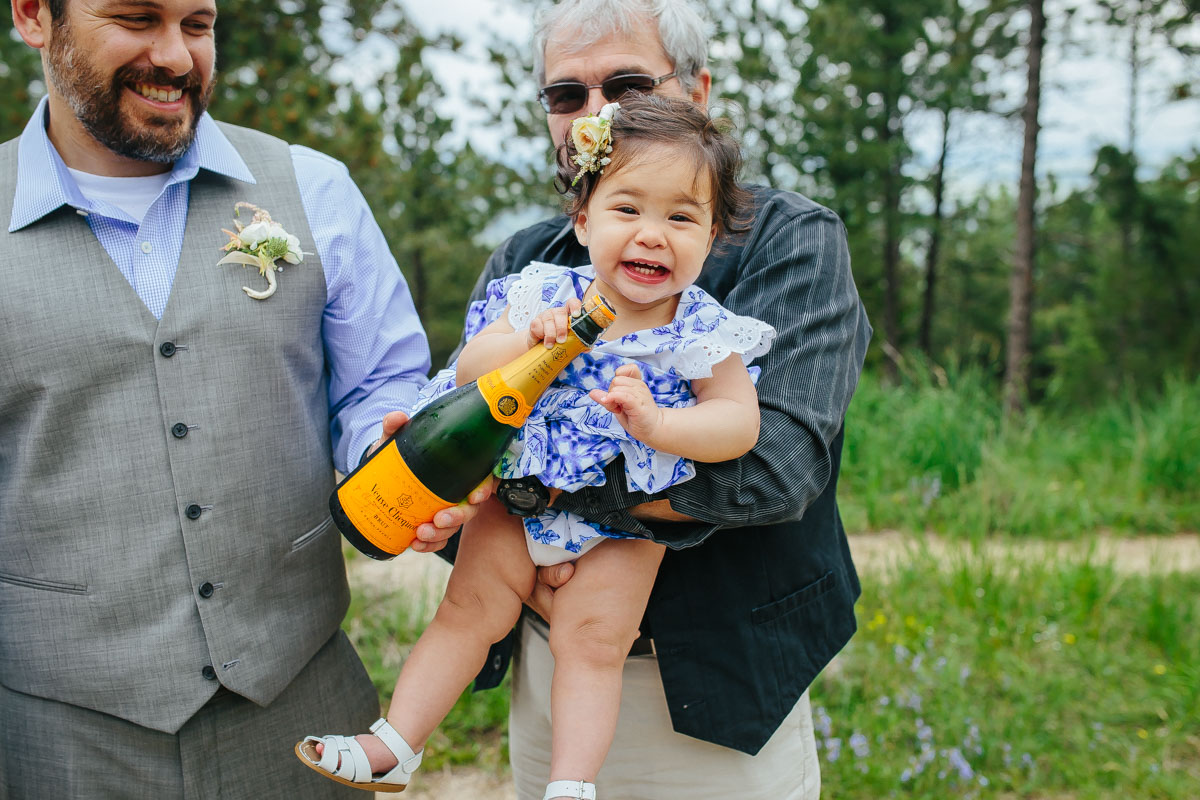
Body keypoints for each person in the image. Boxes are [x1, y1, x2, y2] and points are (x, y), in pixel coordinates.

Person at [0, 0, 480, 796]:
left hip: (300, 709)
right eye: (134, 18)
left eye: (197, 23)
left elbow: (376, 388)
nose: (178, 57)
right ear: (33, 16)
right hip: (55, 738)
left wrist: (389, 457)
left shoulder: (314, 189)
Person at [431, 1, 874, 798]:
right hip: (551, 663)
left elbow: (777, 468)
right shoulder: (527, 263)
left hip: (722, 688)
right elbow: (468, 418)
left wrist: (550, 493)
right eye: (566, 95)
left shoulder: (791, 241)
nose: (595, 116)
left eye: (628, 85)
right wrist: (438, 469)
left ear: (697, 93)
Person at [295, 94, 776, 800]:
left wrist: (658, 426)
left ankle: (571, 786)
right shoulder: (544, 294)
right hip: (518, 502)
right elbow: (467, 372)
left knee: (593, 645)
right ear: (583, 221)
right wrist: (528, 338)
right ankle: (395, 742)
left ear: (712, 236)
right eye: (627, 209)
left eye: (681, 217)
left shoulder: (701, 331)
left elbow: (740, 423)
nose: (652, 235)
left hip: (624, 520)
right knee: (468, 612)